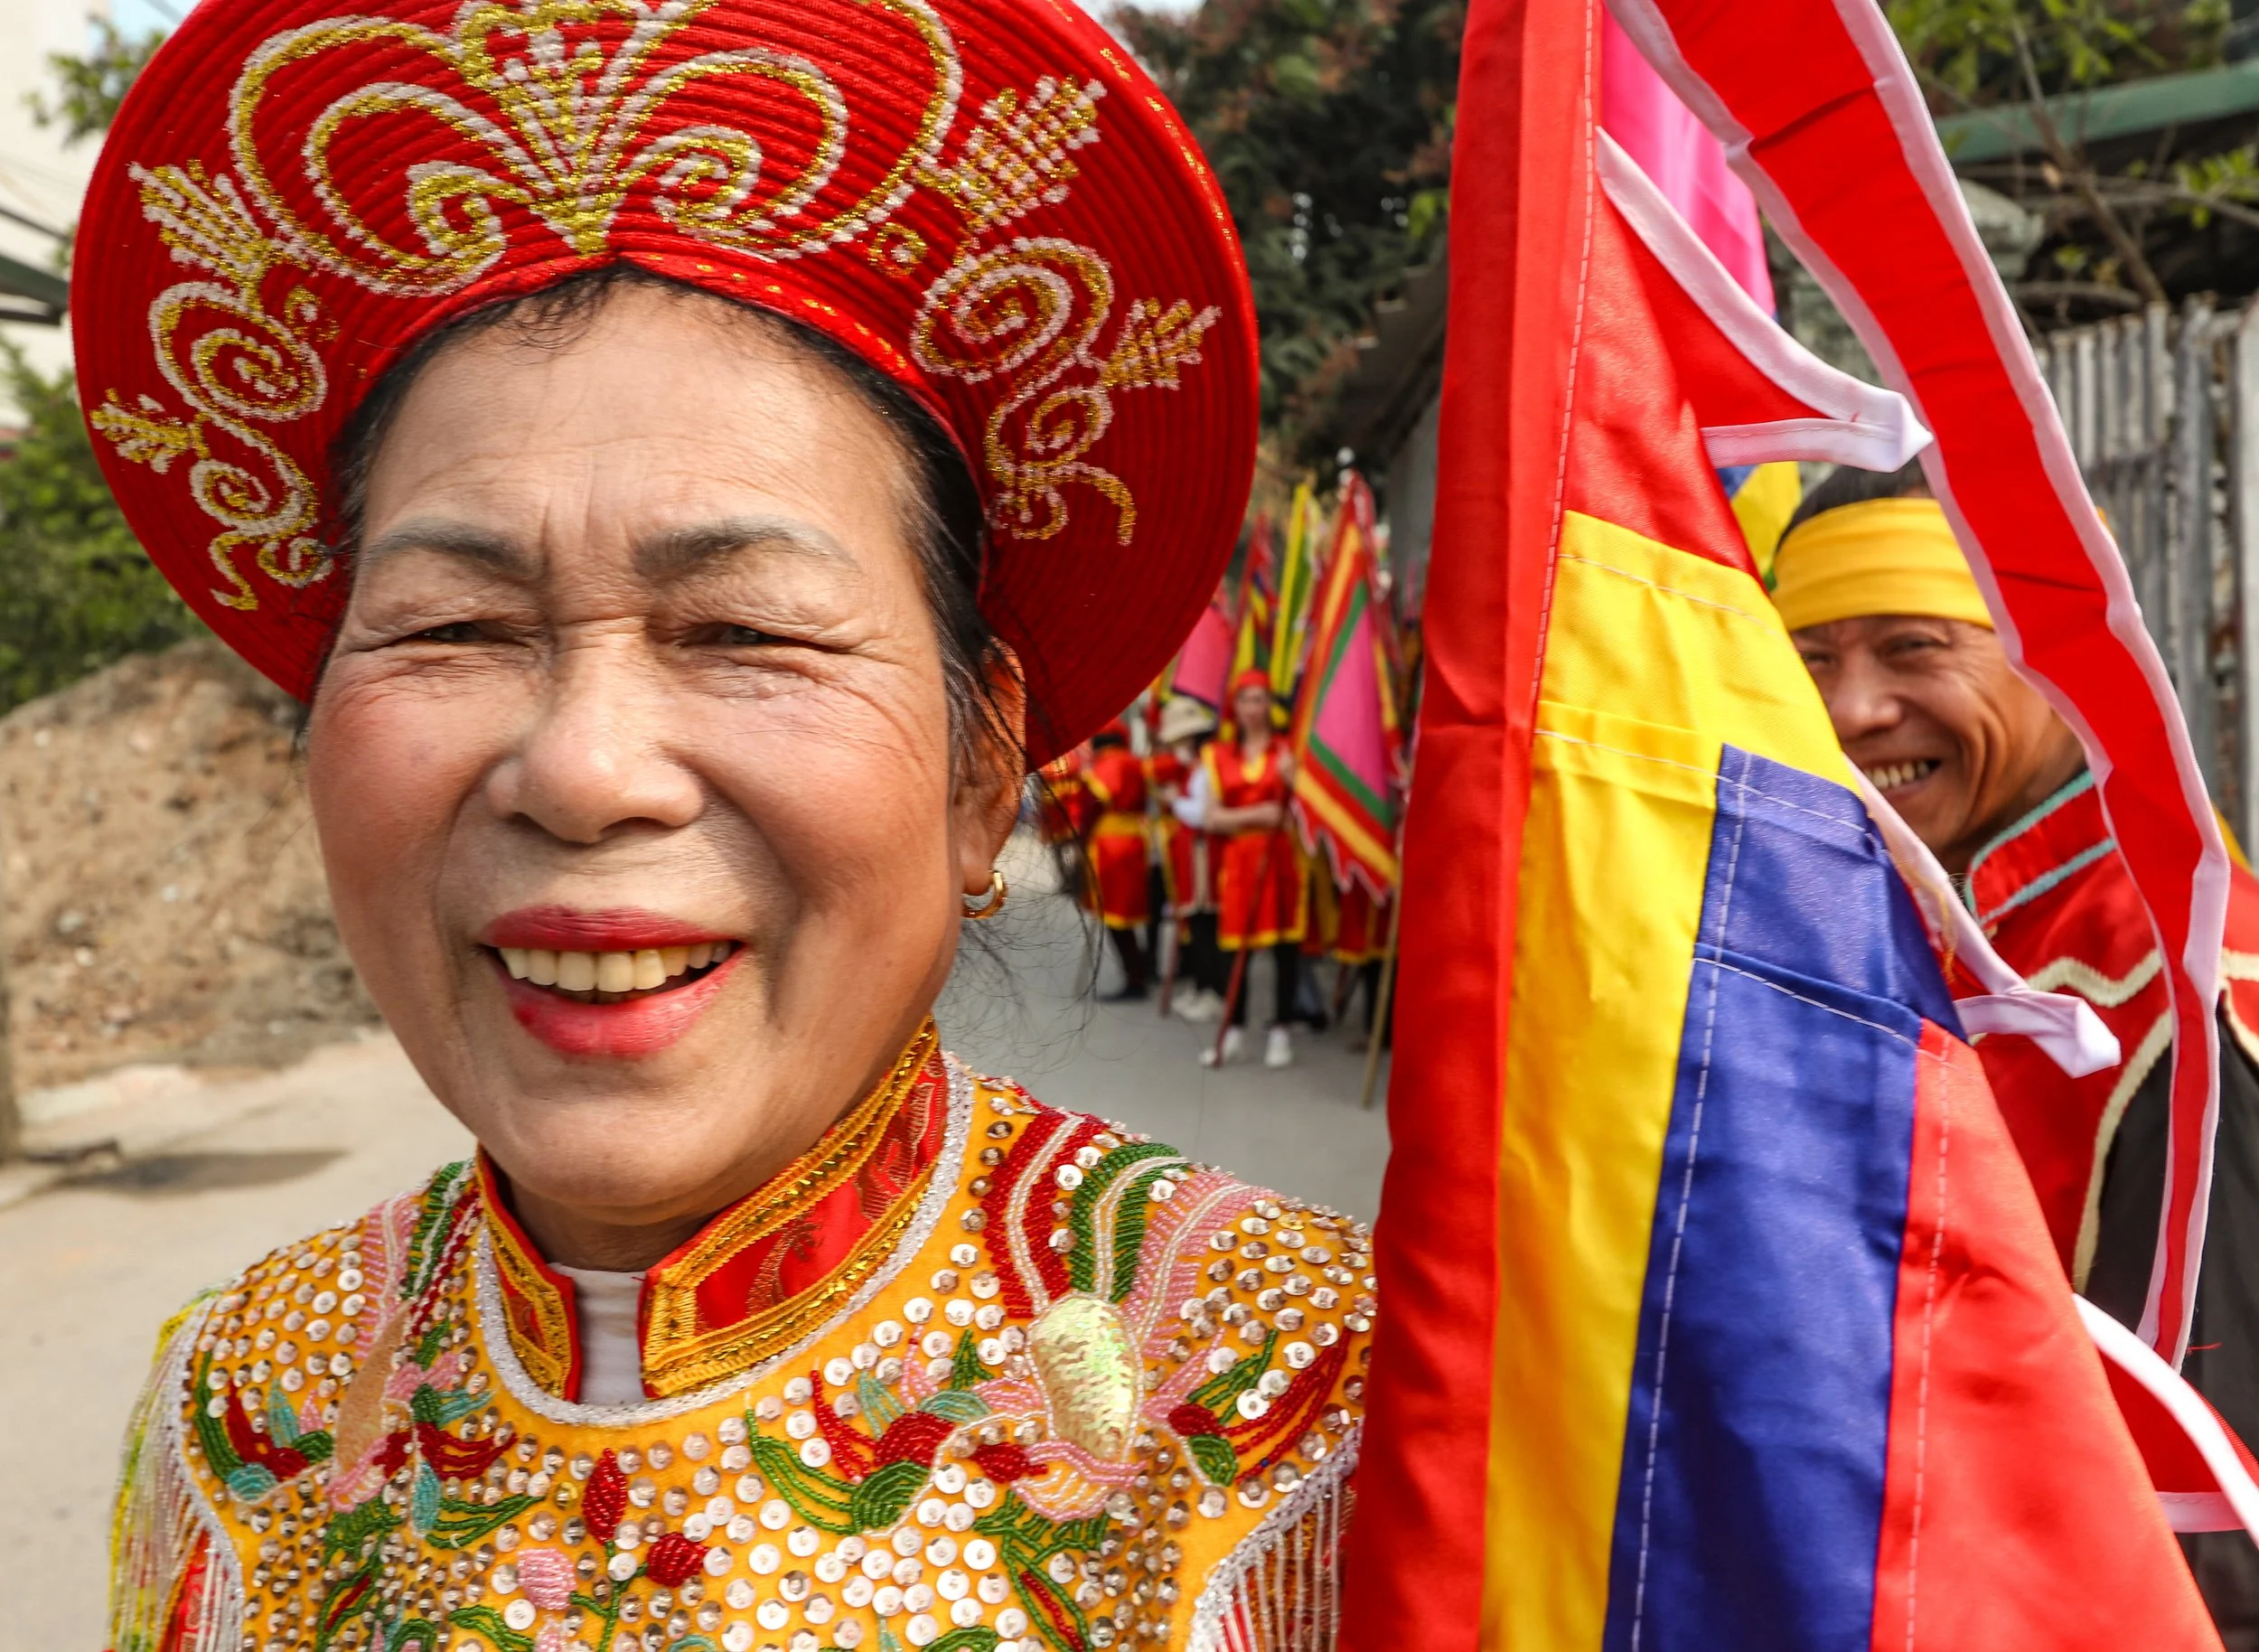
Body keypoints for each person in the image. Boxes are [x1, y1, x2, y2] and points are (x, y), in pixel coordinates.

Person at [81, 4, 1374, 1646]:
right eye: (454, 628)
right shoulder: (236, 1405)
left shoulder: (1293, 1398)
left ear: (984, 769)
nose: (584, 767)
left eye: (743, 628)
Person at [1779, 462, 2259, 1642]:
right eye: (1811, 660)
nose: (1852, 713)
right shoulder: (1924, 924)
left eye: (1913, 646)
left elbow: (2214, 1517)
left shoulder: (2165, 988)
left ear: (2053, 654)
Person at [1200, 671, 1308, 1069]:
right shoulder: (1217, 755)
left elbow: (1299, 814)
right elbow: (1210, 817)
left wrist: (1289, 786)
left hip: (1280, 859)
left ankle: (1280, 1030)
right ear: (1236, 706)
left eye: (1261, 699)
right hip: (1238, 863)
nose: (1253, 708)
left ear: (1270, 706)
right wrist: (1260, 814)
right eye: (1246, 699)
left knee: (1283, 949)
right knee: (1234, 949)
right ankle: (1235, 1030)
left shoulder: (1286, 753)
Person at [1151, 695, 1225, 1021]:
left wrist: (1175, 801)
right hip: (1190, 852)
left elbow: (1202, 813)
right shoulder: (1194, 766)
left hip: (1203, 852)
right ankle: (1201, 987)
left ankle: (1214, 992)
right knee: (1195, 925)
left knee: (1206, 924)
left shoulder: (1208, 765)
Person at [1080, 719, 1152, 1000]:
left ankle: (1136, 979)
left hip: (1112, 847)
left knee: (1117, 918)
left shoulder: (1108, 765)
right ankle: (1140, 972)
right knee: (1128, 917)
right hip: (1135, 840)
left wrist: (1083, 837)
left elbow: (1091, 806)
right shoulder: (1134, 762)